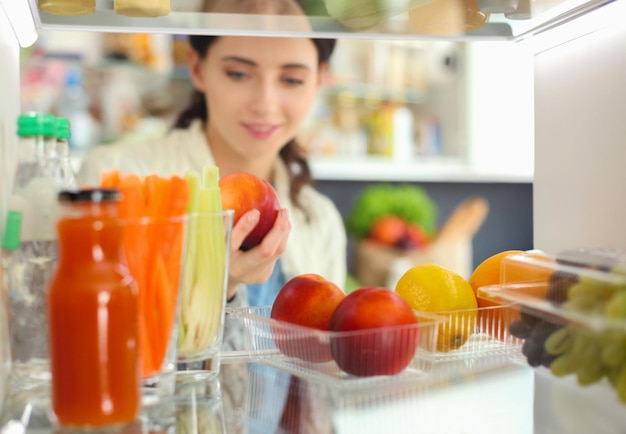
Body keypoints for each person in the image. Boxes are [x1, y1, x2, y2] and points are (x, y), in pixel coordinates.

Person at [77, 24, 345, 434]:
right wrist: (219, 282)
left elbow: (313, 401)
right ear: (197, 69)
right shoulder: (116, 179)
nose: (265, 103)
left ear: (321, 80)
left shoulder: (318, 218)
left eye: (291, 79)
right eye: (238, 74)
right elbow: (92, 358)